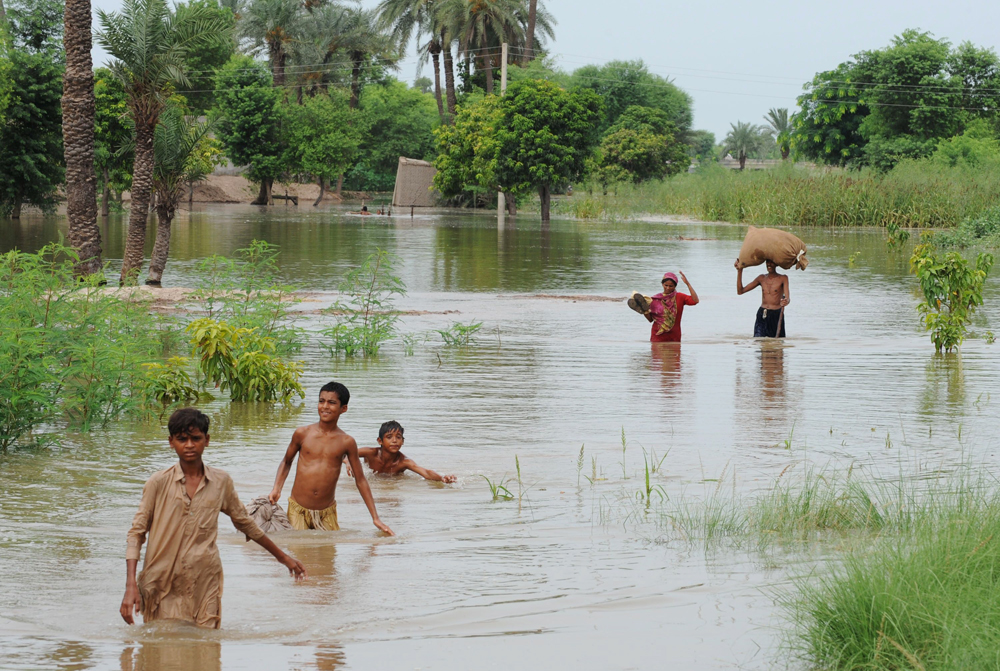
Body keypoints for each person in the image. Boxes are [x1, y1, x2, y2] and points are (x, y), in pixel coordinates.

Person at [121, 408, 306, 628]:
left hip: (205, 579)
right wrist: (130, 585)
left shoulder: (220, 482)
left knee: (205, 650)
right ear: (171, 442)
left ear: (206, 440)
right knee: (165, 650)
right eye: (182, 439)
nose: (189, 445)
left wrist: (282, 557)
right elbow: (137, 533)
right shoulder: (157, 483)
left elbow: (245, 523)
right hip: (161, 581)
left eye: (196, 438)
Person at [268, 382, 394, 535]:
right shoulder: (302, 433)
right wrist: (277, 488)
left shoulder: (346, 442)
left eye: (332, 402)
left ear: (344, 408)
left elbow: (360, 480)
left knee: (327, 557)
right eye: (322, 401)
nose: (325, 406)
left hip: (327, 513)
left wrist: (375, 518)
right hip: (297, 509)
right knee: (298, 553)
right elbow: (286, 462)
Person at [347, 420, 457, 483]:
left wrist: (442, 478)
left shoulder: (404, 462)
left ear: (403, 441)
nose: (394, 441)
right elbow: (343, 453)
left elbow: (426, 472)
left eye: (398, 437)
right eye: (389, 437)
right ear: (380, 441)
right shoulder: (370, 452)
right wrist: (348, 462)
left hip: (393, 481)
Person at [734, 259, 790, 337]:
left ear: (777, 264)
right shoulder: (761, 278)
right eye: (767, 262)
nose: (769, 264)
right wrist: (740, 271)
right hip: (762, 314)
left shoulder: (783, 278)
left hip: (776, 315)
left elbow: (787, 298)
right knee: (758, 341)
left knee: (777, 344)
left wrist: (785, 301)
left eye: (771, 262)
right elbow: (740, 291)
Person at [643, 271, 700, 342]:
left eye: (671, 286)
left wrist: (688, 284)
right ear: (662, 284)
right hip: (658, 336)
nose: (668, 288)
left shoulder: (680, 297)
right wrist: (644, 311)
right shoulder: (655, 300)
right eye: (666, 285)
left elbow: (695, 300)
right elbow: (650, 319)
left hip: (674, 336)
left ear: (675, 286)